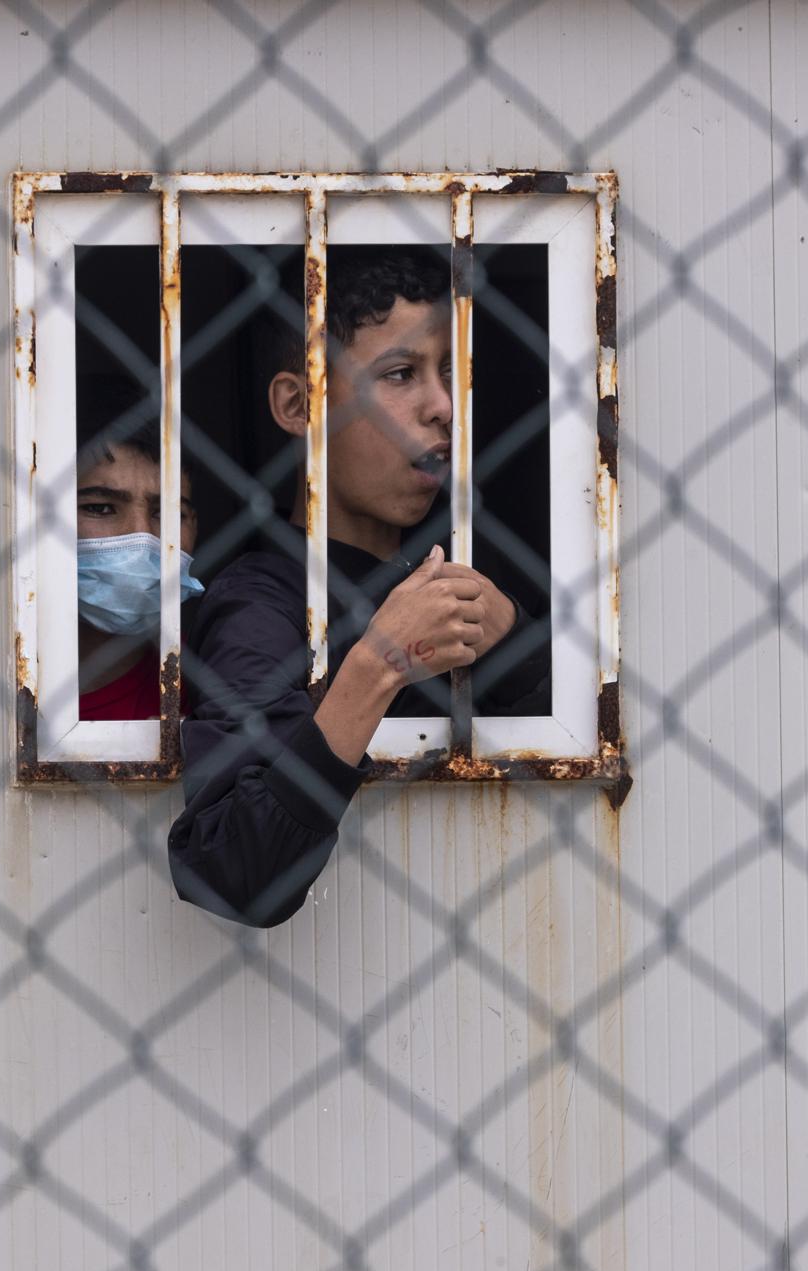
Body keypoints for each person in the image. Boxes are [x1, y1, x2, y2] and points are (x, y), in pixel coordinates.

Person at [167, 248, 549, 926]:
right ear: (298, 403)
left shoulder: (474, 580)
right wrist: (378, 663)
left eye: (450, 374)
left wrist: (517, 637)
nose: (443, 408)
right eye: (400, 374)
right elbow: (233, 870)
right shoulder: (261, 605)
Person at [75, 429, 202, 721]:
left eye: (168, 513)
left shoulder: (204, 684)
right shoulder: (6, 675)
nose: (142, 538)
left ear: (193, 527)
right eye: (100, 508)